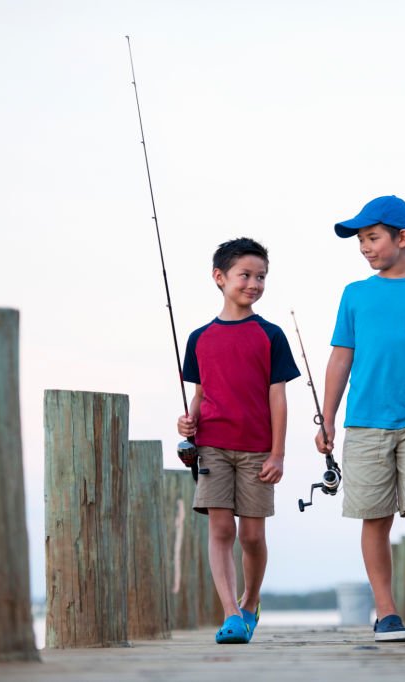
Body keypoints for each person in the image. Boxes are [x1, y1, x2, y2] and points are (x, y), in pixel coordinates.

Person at [316, 195, 405, 642]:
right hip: (363, 424)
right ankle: (385, 611)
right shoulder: (354, 295)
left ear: (402, 238)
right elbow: (341, 358)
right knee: (374, 517)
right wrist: (327, 417)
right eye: (360, 240)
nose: (364, 247)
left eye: (372, 238)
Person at [176, 237, 300, 644]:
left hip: (257, 451)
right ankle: (231, 614)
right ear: (219, 277)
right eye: (245, 275)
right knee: (220, 531)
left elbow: (277, 397)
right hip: (212, 446)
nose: (254, 283)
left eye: (261, 276)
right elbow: (200, 393)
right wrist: (188, 421)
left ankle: (251, 600)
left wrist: (278, 454)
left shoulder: (270, 334)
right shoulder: (198, 338)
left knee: (252, 536)